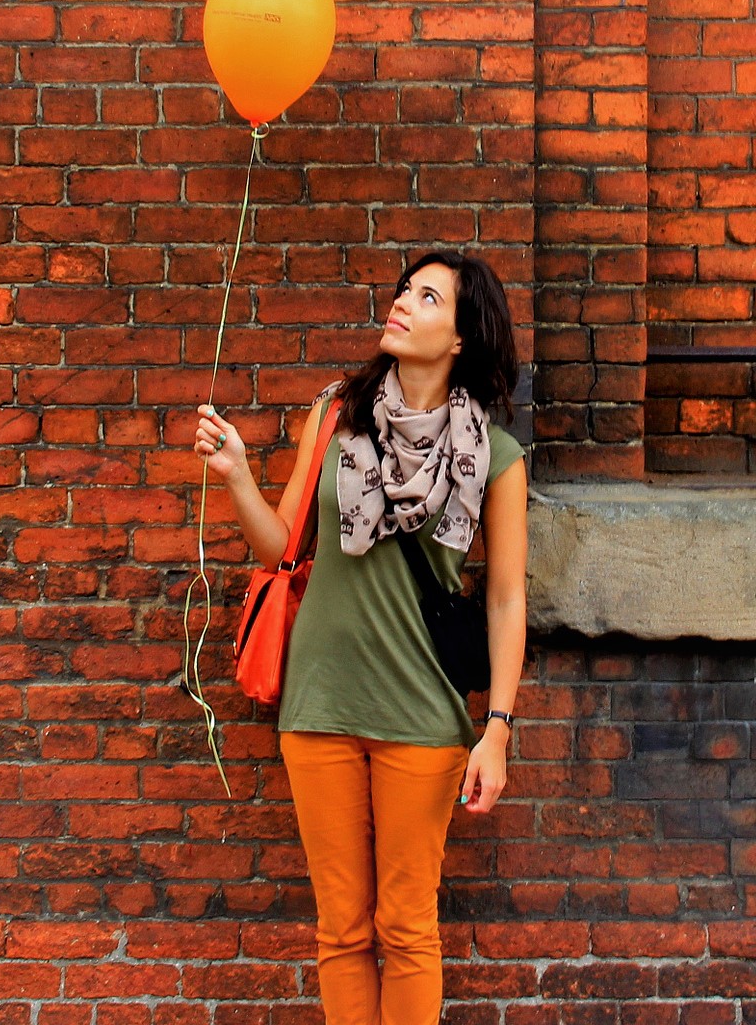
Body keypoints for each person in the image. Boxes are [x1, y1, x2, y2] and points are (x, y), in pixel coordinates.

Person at [191, 250, 528, 1025]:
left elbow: (508, 598)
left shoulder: (496, 459)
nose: (404, 302)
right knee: (341, 929)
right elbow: (283, 546)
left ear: (461, 340)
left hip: (424, 717)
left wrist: (498, 729)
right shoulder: (337, 415)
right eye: (406, 288)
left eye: (429, 296)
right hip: (321, 703)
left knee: (407, 928)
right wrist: (240, 472)